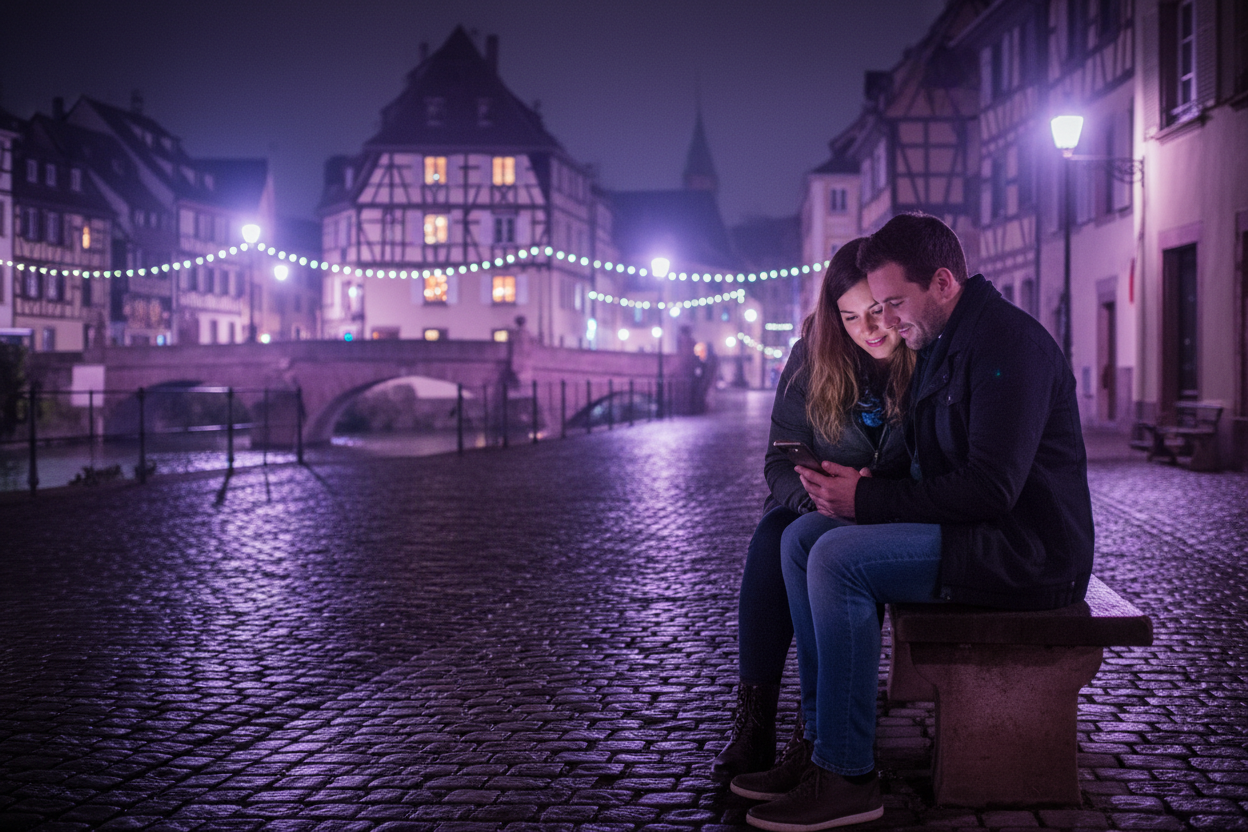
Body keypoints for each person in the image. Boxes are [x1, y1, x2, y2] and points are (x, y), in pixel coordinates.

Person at [734, 213, 1095, 831]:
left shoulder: (1006, 345)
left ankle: (848, 777)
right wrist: (872, 489)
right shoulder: (948, 342)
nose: (889, 320)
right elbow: (936, 468)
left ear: (944, 282)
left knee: (838, 560)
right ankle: (820, 749)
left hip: (1025, 552)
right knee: (798, 540)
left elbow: (992, 488)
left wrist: (868, 503)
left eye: (895, 302)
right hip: (976, 535)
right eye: (873, 306)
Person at [712, 238, 914, 784]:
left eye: (876, 312)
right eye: (849, 317)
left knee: (815, 545)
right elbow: (778, 459)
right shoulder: (812, 355)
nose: (868, 329)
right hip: (822, 505)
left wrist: (866, 497)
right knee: (778, 528)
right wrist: (818, 502)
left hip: (894, 511)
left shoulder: (920, 356)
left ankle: (816, 730)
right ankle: (755, 723)